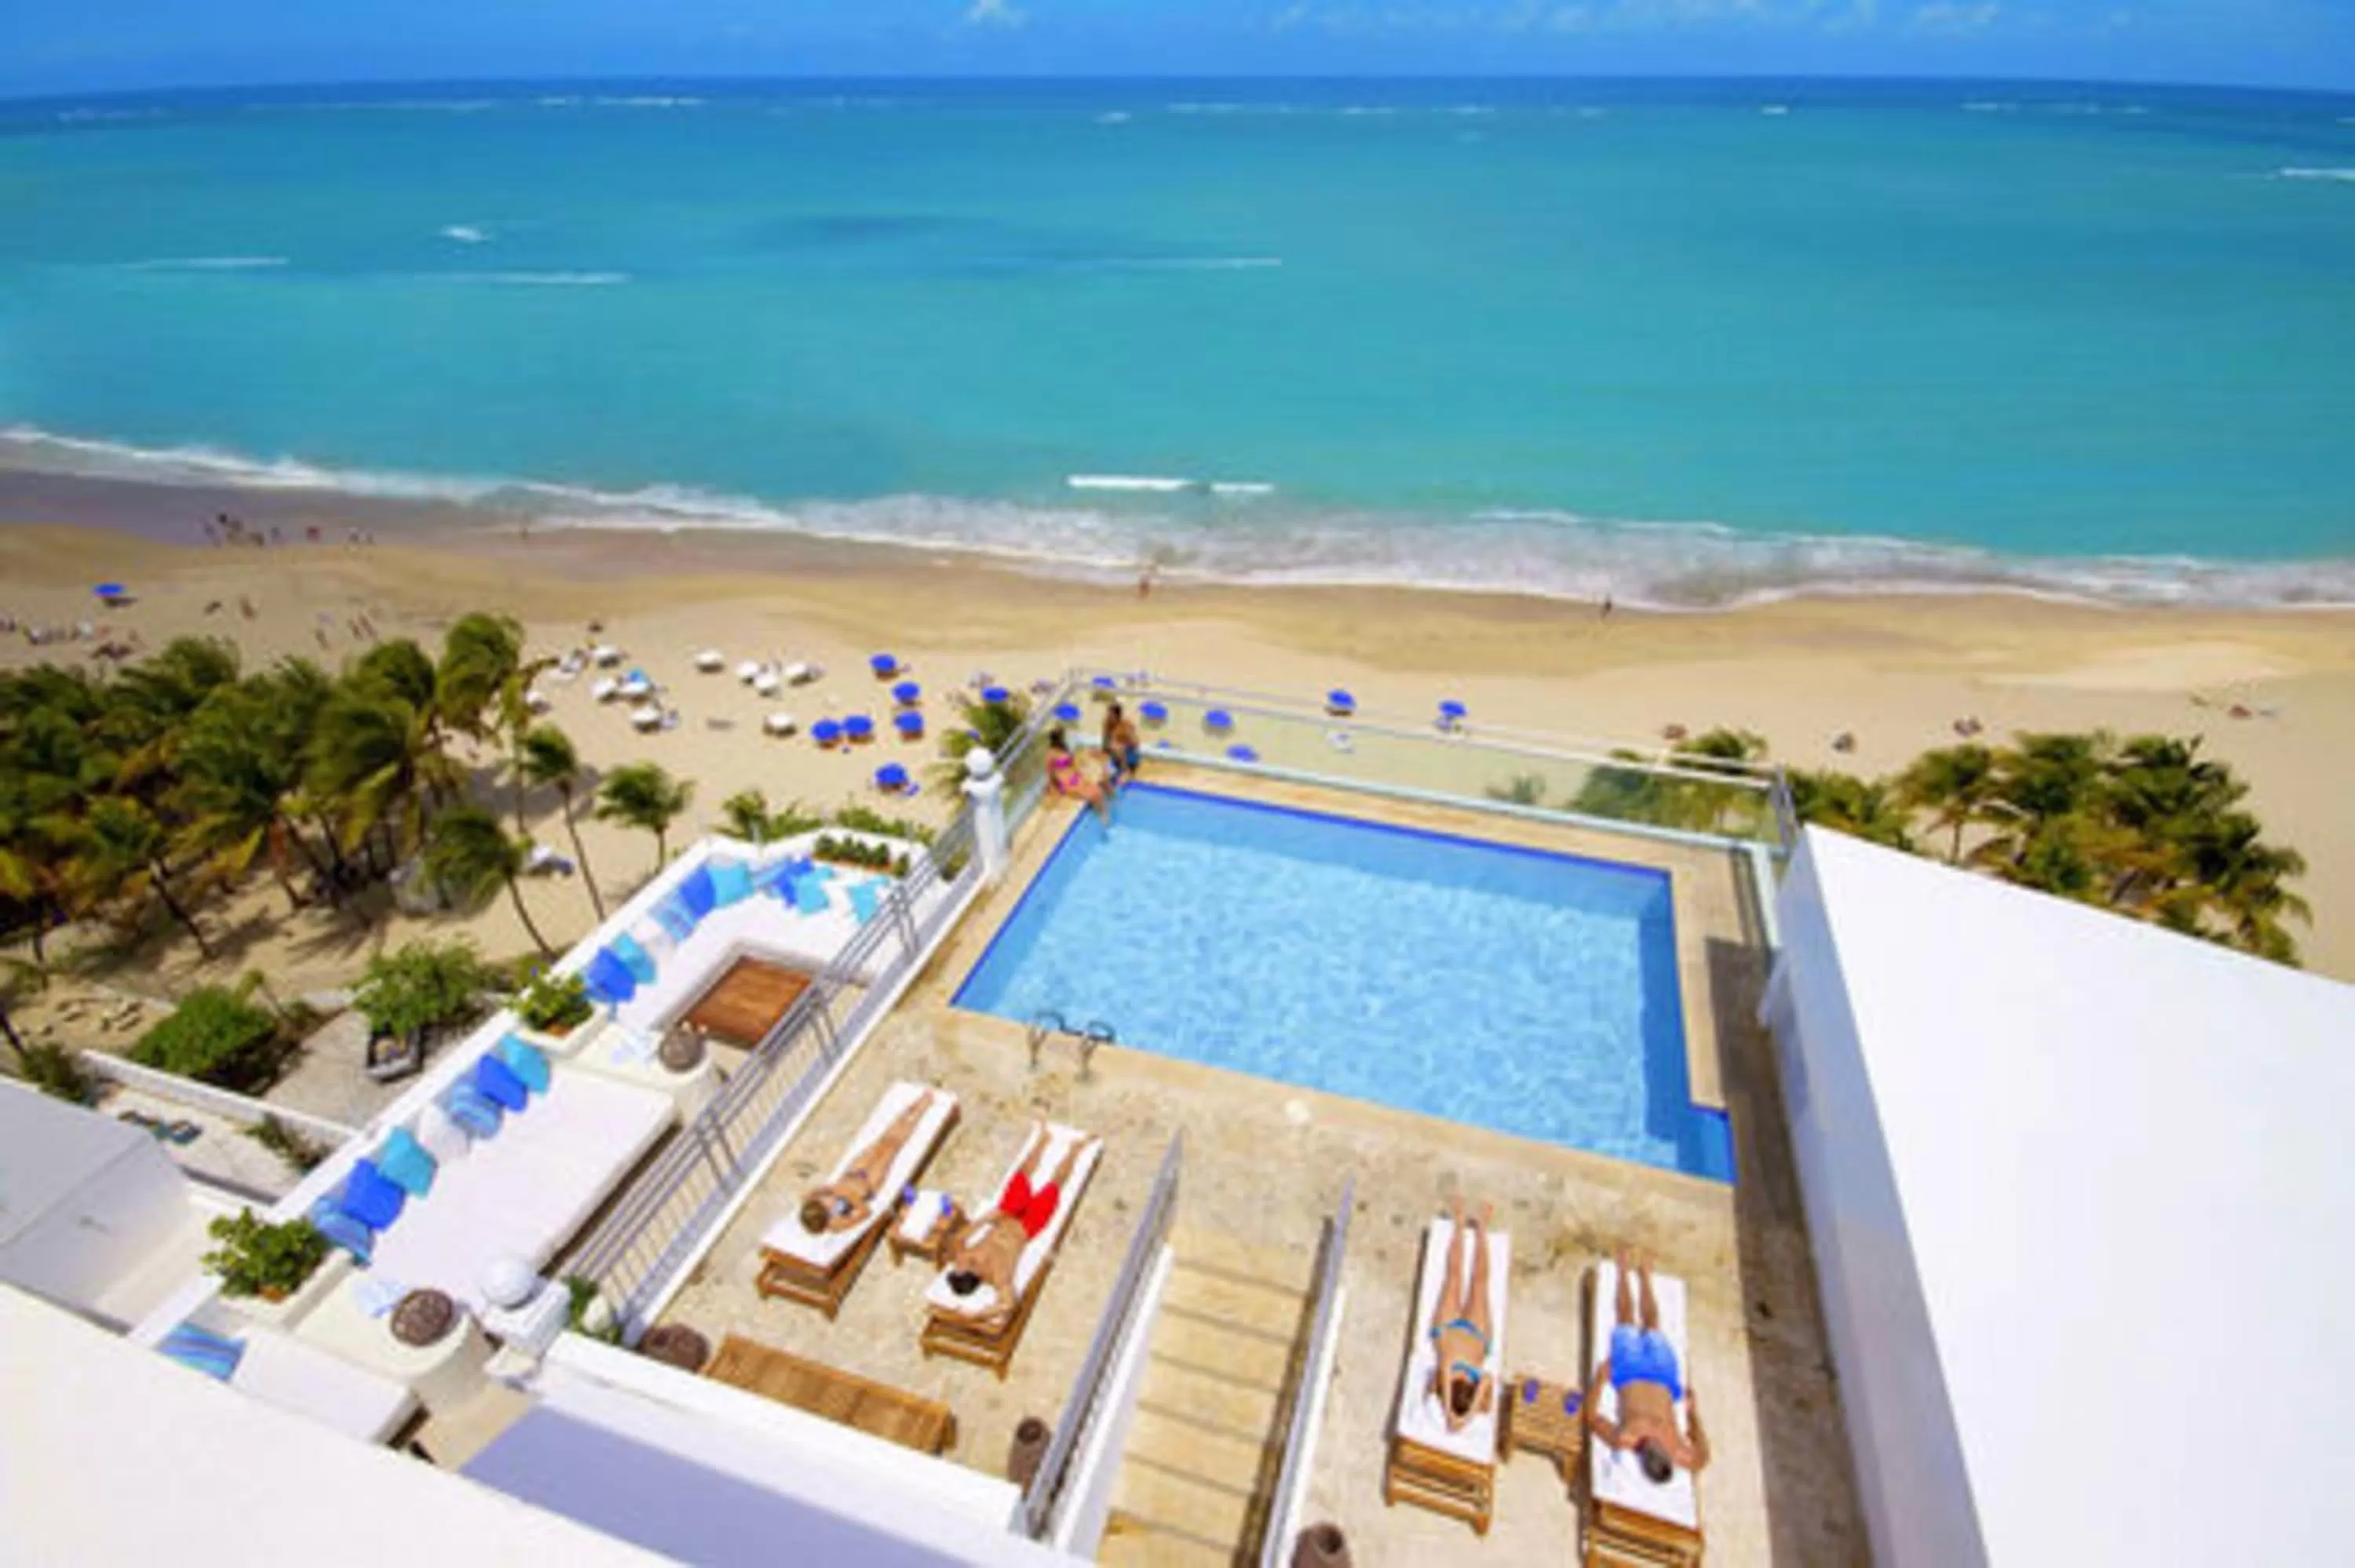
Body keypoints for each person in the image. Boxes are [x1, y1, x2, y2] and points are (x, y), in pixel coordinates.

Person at [943, 1125, 1098, 1330]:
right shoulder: (999, 1276)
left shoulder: (963, 1255)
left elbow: (956, 1239)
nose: (960, 1262)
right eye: (963, 1267)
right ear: (975, 1274)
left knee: (1021, 1174)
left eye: (958, 1265)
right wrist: (977, 1315)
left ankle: (1043, 1140)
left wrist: (987, 1218)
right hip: (1029, 1226)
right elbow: (1008, 1304)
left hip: (1005, 1215)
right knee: (1055, 1185)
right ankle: (1075, 1150)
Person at [1585, 1245, 1711, 1483]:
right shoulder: (1683, 1453)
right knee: (1653, 1324)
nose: (1650, 1441)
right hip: (1663, 1377)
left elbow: (1591, 1418)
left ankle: (1622, 1270)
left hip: (1628, 1372)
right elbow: (1703, 1457)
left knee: (1625, 1319)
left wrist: (1600, 1382)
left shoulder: (1625, 1438)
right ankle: (1644, 1276)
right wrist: (1693, 1415)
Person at [798, 1089, 937, 1235]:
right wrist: (849, 1196)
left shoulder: (814, 1203)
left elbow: (806, 1196)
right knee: (893, 1145)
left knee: (883, 1140)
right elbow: (865, 1212)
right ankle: (922, 1109)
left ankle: (914, 1106)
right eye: (826, 1207)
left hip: (852, 1172)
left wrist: (827, 1190)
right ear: (825, 1218)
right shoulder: (836, 1224)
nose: (828, 1203)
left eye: (824, 1202)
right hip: (869, 1184)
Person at [1427, 1195, 1498, 1432]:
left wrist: (1451, 1413)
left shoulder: (1446, 1371)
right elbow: (1489, 1379)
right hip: (1478, 1334)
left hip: (1446, 1328)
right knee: (1480, 1283)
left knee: (1453, 1277)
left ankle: (1459, 1224)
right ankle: (1481, 1229)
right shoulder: (1480, 1380)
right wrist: (1465, 1417)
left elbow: (1447, 1377)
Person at [1046, 727, 1110, 823]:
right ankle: (1102, 817)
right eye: (1062, 737)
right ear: (1057, 739)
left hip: (1074, 777)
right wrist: (1056, 788)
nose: (1063, 738)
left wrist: (1081, 775)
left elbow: (1073, 764)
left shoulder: (1064, 748)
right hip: (1066, 781)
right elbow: (1050, 773)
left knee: (1097, 790)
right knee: (1092, 795)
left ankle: (1104, 814)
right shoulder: (1051, 754)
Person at [1101, 702, 1142, 787]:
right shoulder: (1107, 725)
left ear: (1117, 715)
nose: (1108, 716)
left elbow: (1135, 743)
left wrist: (1122, 745)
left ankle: (1125, 771)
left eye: (1110, 714)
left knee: (1121, 782)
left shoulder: (1126, 725)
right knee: (1105, 779)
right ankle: (1119, 771)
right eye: (1108, 714)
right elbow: (1105, 746)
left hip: (1129, 755)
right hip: (1115, 757)